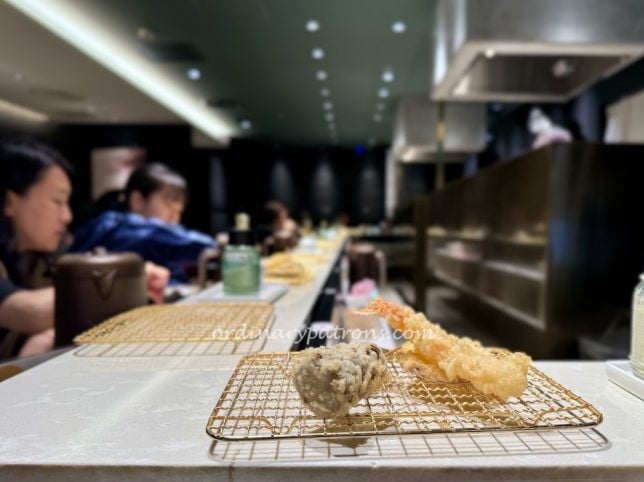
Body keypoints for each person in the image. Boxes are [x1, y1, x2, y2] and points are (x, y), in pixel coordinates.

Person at [0, 139, 170, 358]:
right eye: (57, 201)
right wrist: (128, 283)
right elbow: (26, 311)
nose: (67, 216)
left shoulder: (38, 262)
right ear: (10, 202)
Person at [71, 163, 217, 284]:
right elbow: (163, 235)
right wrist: (220, 246)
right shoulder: (118, 227)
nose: (174, 219)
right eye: (168, 206)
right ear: (138, 200)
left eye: (179, 212)